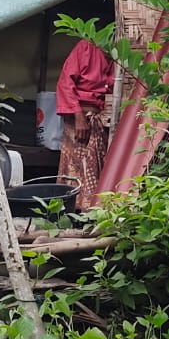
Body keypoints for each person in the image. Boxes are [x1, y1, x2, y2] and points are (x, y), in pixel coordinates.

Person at [55, 38, 114, 210]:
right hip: (78, 116)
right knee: (74, 167)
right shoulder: (86, 47)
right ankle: (68, 211)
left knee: (95, 168)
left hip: (102, 119)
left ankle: (91, 212)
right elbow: (65, 83)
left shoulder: (120, 57)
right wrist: (79, 116)